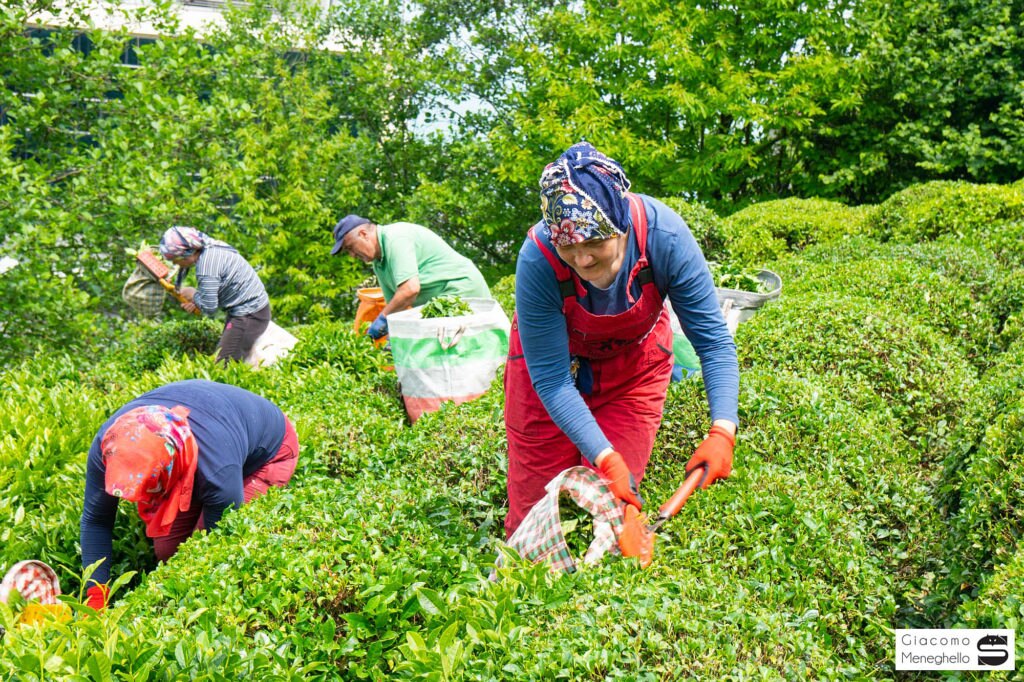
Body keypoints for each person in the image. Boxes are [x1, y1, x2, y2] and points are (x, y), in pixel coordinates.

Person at [504, 141, 739, 537]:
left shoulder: (664, 237)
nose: (582, 260)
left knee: (612, 501)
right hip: (549, 372)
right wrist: (605, 458)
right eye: (568, 245)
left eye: (595, 241)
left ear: (620, 224)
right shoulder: (538, 259)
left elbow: (713, 342)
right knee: (536, 505)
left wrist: (722, 431)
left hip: (634, 368)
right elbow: (553, 380)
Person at [79, 379, 299, 609]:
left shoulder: (217, 472)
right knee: (168, 553)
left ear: (173, 464)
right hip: (214, 434)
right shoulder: (109, 444)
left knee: (198, 555)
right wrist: (95, 600)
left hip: (268, 453)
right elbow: (97, 520)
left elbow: (218, 549)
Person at [330, 215, 491, 340]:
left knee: (454, 355)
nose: (352, 255)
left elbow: (410, 290)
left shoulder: (396, 238)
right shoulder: (378, 263)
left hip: (461, 290)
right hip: (438, 304)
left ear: (363, 234)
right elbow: (395, 306)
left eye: (350, 248)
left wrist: (382, 320)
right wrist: (391, 332)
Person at [159, 226, 271, 363]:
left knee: (222, 365)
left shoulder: (206, 266)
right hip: (250, 310)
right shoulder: (210, 247)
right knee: (235, 360)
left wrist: (193, 294)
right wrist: (196, 301)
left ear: (187, 253)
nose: (174, 263)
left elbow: (209, 307)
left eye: (174, 259)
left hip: (249, 314)